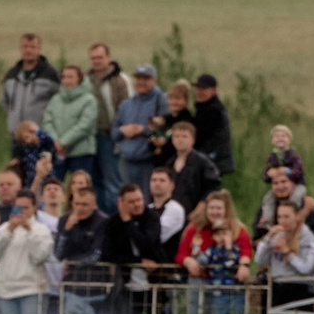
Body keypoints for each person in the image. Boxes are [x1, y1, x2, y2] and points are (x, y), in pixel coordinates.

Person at [0, 196, 53, 314]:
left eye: (26, 208)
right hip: (6, 290)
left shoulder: (42, 229)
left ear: (34, 208)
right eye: (18, 208)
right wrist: (10, 229)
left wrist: (28, 230)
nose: (22, 212)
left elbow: (41, 255)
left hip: (32, 289)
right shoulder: (6, 228)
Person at [0, 34, 61, 162]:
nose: (28, 50)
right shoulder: (12, 74)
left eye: (33, 47)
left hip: (39, 135)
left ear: (39, 49)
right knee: (17, 173)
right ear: (20, 49)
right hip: (17, 135)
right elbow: (5, 102)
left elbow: (59, 102)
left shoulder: (50, 74)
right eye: (25, 47)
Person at [85, 45, 133, 201]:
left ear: (108, 58)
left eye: (100, 57)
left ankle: (116, 216)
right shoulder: (85, 80)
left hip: (110, 136)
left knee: (112, 182)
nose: (96, 61)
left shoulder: (120, 80)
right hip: (89, 137)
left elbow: (127, 107)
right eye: (93, 58)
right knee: (94, 181)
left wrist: (120, 132)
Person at [113, 64, 166, 193]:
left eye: (146, 79)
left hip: (149, 162)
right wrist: (122, 130)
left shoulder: (161, 101)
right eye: (138, 78)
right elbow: (113, 133)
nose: (141, 82)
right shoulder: (126, 104)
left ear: (154, 81)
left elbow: (165, 130)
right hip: (127, 163)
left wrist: (143, 130)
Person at [163, 120, 217, 213]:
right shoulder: (169, 163)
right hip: (173, 213)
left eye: (184, 136)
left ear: (193, 140)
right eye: (176, 136)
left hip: (194, 212)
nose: (180, 139)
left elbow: (213, 187)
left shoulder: (203, 162)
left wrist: (200, 209)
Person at [188, 73, 234, 176]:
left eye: (204, 88)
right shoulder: (204, 108)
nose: (200, 92)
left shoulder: (213, 111)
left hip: (213, 161)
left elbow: (201, 137)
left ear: (214, 90)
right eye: (198, 88)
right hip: (211, 160)